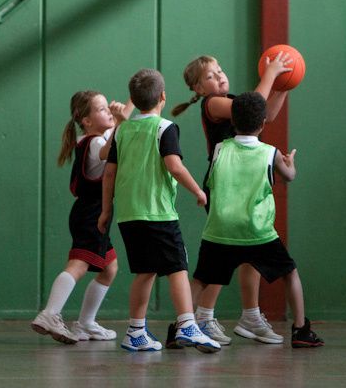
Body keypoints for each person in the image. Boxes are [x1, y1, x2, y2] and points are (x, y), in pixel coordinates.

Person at [171, 53, 290, 346]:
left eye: (220, 70)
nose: (219, 76)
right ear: (199, 90)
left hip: (246, 182)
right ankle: (201, 316)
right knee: (221, 258)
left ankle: (249, 315)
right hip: (224, 186)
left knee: (252, 249)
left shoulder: (233, 100)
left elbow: (267, 114)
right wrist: (271, 74)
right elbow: (253, 106)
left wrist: (284, 86)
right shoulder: (213, 105)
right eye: (210, 76)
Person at [98, 68, 220, 353]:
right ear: (163, 97)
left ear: (133, 98)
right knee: (178, 267)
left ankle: (135, 331)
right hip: (158, 213)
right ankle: (187, 324)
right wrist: (198, 191)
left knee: (146, 271)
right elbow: (174, 166)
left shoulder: (122, 130)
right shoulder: (165, 128)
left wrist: (106, 211)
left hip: (129, 215)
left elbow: (109, 174)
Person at [192, 91, 323, 348]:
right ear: (263, 123)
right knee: (290, 273)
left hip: (221, 228)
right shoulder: (270, 153)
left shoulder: (219, 149)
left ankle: (181, 326)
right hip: (256, 231)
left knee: (200, 279)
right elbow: (289, 176)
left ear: (233, 121)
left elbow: (210, 181)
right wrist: (290, 162)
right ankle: (300, 330)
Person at [31, 91, 131, 344]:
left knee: (110, 268)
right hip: (91, 214)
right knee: (78, 264)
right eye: (101, 109)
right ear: (86, 120)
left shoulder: (90, 138)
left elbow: (116, 132)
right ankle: (50, 314)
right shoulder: (96, 143)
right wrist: (120, 121)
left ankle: (86, 323)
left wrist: (132, 100)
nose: (108, 112)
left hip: (91, 213)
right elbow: (111, 148)